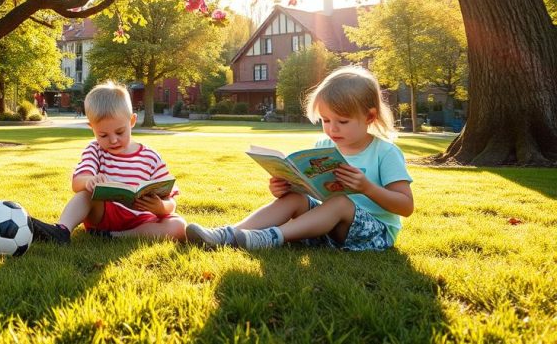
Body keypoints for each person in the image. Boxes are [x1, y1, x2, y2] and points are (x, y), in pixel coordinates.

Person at [186, 66, 414, 251]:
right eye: (325, 120)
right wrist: (286, 187)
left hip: (375, 235)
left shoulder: (385, 152)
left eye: (342, 122)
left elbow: (406, 207)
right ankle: (230, 234)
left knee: (341, 202)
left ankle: (270, 238)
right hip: (328, 228)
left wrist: (366, 188)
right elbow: (313, 193)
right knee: (296, 197)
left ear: (370, 116)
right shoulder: (324, 146)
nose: (332, 129)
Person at [29, 81, 187, 243]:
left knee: (178, 226)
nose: (113, 140)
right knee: (86, 193)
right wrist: (89, 180)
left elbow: (171, 201)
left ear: (132, 121)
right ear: (92, 128)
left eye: (120, 132)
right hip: (103, 214)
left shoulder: (151, 157)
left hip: (142, 220)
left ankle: (116, 236)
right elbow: (77, 183)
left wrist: (161, 207)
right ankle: (62, 231)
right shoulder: (95, 150)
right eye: (103, 135)